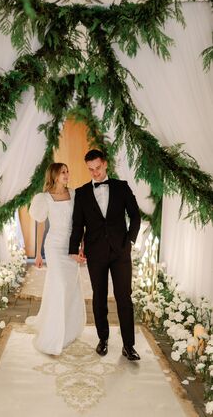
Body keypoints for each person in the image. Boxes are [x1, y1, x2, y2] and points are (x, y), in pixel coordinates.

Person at [69, 149, 141, 361]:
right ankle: (103, 339)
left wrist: (130, 241)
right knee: (99, 297)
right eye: (90, 170)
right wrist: (74, 249)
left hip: (120, 251)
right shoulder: (82, 193)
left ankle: (129, 346)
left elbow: (135, 216)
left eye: (98, 168)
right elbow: (77, 225)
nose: (95, 173)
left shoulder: (121, 187)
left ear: (105, 164)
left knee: (123, 297)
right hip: (95, 252)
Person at [26, 162, 86, 355]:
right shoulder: (44, 198)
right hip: (54, 247)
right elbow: (40, 225)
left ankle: (70, 327)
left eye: (68, 171)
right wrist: (37, 253)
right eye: (63, 172)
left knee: (70, 286)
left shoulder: (75, 194)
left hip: (72, 246)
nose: (67, 175)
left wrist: (82, 245)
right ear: (54, 175)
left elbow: (80, 223)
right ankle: (53, 334)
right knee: (59, 285)